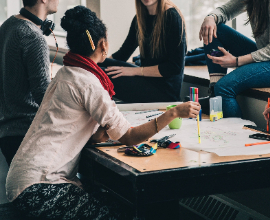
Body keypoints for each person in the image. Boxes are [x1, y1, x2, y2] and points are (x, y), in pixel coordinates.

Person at [5, 6, 200, 219]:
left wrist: (103, 131)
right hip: (40, 187)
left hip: (21, 179)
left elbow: (86, 131)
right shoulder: (89, 84)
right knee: (122, 212)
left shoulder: (65, 73)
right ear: (103, 44)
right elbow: (129, 137)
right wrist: (172, 113)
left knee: (113, 199)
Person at [0, 0, 59, 166]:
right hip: (28, 135)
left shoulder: (8, 25)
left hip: (7, 133)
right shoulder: (33, 36)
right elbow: (44, 97)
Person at [98, 0, 187, 103]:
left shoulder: (172, 17)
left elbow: (174, 67)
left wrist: (133, 71)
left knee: (100, 73)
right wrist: (93, 60)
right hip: (146, 79)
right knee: (94, 65)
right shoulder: (140, 18)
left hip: (165, 92)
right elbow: (122, 54)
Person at [199, 0, 270, 118]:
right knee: (216, 28)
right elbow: (225, 11)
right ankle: (214, 96)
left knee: (224, 87)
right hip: (263, 56)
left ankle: (235, 133)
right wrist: (210, 18)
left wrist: (237, 61)